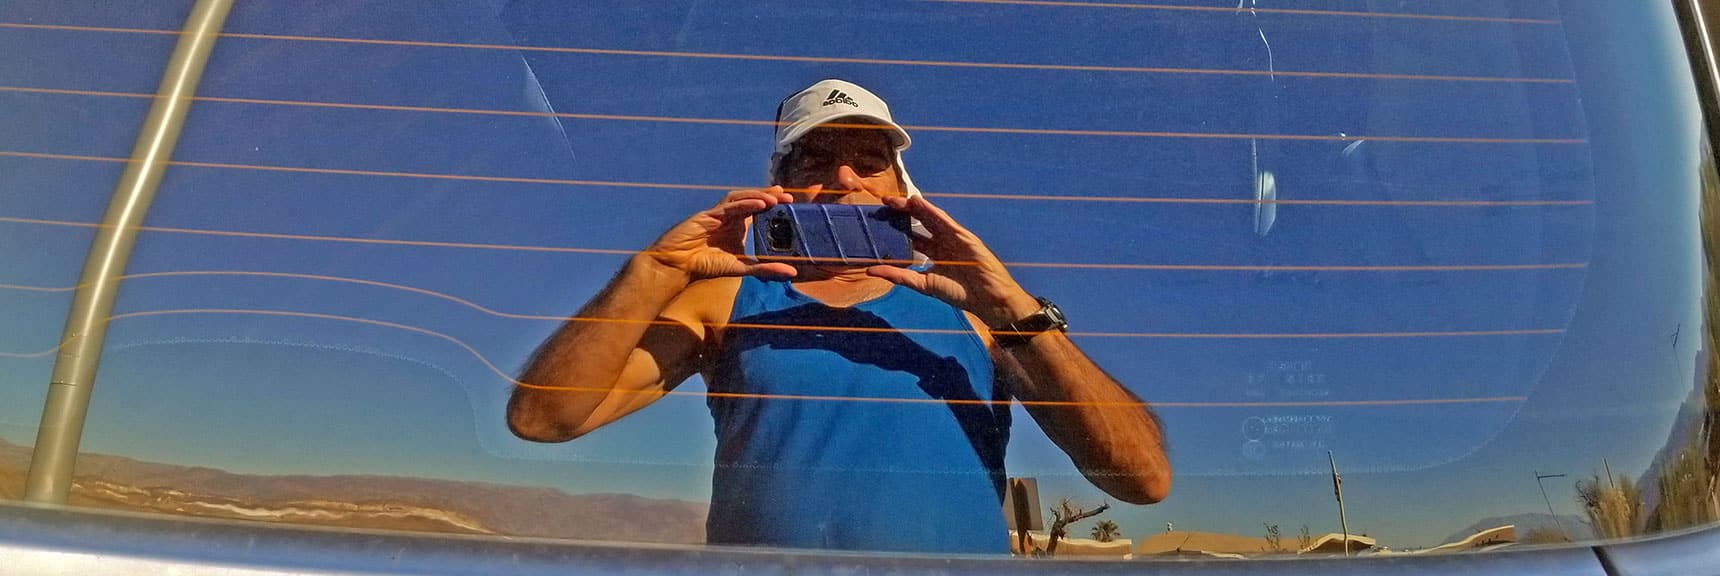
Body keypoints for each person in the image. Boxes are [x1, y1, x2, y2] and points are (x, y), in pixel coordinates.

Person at [507, 79, 1169, 553]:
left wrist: (1013, 309)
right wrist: (653, 271)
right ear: (779, 184)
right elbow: (544, 417)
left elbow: (1143, 480)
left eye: (870, 161)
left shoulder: (980, 314)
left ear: (901, 189)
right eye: (815, 159)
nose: (844, 178)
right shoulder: (722, 301)